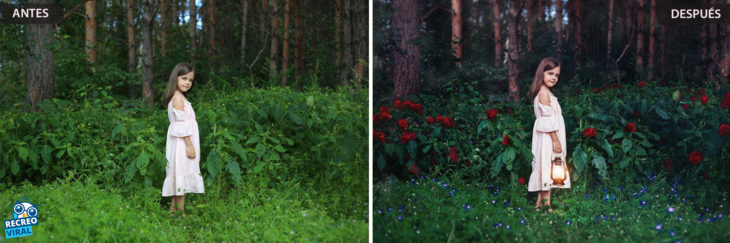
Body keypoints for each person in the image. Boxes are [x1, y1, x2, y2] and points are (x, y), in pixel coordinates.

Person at [526, 57, 571, 213]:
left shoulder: (547, 92)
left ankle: (540, 203)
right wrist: (556, 140)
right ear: (542, 74)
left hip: (549, 137)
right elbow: (547, 121)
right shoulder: (543, 93)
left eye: (557, 75)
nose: (554, 78)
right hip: (548, 138)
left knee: (549, 166)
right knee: (547, 166)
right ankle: (547, 204)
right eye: (550, 73)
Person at [161, 63, 205, 218]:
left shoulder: (181, 98)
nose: (187, 82)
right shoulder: (177, 99)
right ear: (176, 79)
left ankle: (174, 210)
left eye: (190, 80)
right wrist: (189, 145)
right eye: (184, 78)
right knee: (181, 173)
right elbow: (181, 125)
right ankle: (181, 211)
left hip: (182, 142)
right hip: (182, 143)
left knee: (181, 173)